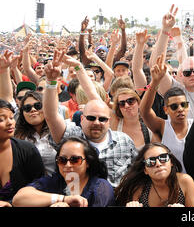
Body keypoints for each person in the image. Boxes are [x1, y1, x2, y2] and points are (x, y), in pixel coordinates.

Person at [43, 50, 137, 187]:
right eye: (91, 118)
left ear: (109, 121)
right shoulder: (72, 138)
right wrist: (51, 81)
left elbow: (136, 173)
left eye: (102, 119)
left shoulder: (124, 141)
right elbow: (51, 116)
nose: (97, 123)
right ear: (81, 119)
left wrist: (79, 67)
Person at [12, 136, 115, 207]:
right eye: (62, 160)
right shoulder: (53, 182)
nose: (68, 165)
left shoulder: (101, 188)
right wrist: (62, 199)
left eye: (75, 160)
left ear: (88, 162)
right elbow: (18, 199)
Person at [115, 143, 194, 207]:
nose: (158, 164)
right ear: (145, 170)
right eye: (151, 161)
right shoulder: (139, 187)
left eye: (163, 157)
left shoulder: (185, 181)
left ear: (171, 162)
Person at [0, 99, 45, 207]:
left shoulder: (28, 150)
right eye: (1, 119)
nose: (10, 122)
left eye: (11, 117)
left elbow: (40, 186)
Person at [14, 91, 57, 175]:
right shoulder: (17, 138)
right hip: (30, 186)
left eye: (38, 106)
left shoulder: (59, 132)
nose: (33, 110)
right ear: (22, 113)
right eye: (27, 108)